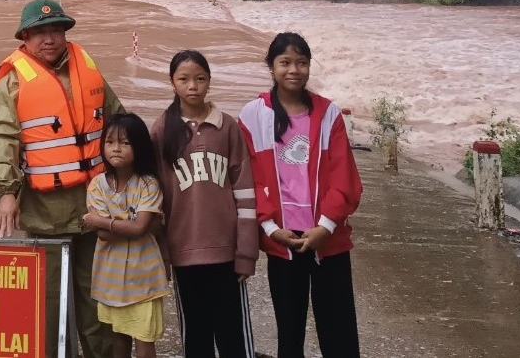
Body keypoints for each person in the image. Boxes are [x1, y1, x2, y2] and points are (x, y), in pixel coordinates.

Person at [0, 0, 126, 358]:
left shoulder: (86, 68)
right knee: (49, 307)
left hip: (97, 208)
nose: (49, 39)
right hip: (46, 215)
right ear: (25, 38)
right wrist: (6, 193)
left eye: (56, 30)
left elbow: (118, 121)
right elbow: (1, 139)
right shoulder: (12, 82)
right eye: (40, 32)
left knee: (97, 304)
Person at [238, 32, 363, 358]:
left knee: (339, 333)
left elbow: (344, 178)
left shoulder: (328, 115)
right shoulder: (252, 116)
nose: (294, 70)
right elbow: (247, 179)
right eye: (285, 63)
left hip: (328, 239)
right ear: (271, 67)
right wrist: (268, 227)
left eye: (302, 63)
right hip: (284, 240)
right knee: (290, 333)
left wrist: (326, 226)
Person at [152, 50, 258, 358]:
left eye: (200, 79)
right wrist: (163, 254)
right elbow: (153, 196)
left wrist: (247, 251)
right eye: (184, 79)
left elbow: (245, 190)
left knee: (233, 335)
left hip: (226, 251)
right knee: (196, 337)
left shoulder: (227, 127)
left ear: (209, 82)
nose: (193, 86)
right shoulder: (161, 130)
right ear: (172, 83)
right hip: (184, 252)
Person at [82, 114, 170, 358]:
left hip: (144, 277)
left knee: (144, 342)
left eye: (125, 143)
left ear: (139, 146)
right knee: (118, 339)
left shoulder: (148, 183)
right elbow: (105, 235)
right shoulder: (97, 184)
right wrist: (123, 224)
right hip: (110, 279)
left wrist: (99, 220)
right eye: (110, 142)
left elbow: (138, 228)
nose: (116, 149)